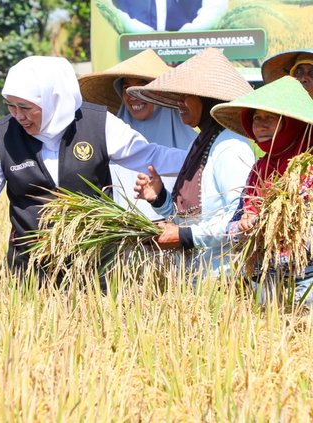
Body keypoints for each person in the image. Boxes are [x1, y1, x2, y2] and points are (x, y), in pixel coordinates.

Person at [0, 56, 188, 279]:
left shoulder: (97, 124)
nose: (18, 116)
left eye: (26, 107)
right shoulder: (0, 136)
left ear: (54, 100)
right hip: (30, 267)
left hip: (94, 265)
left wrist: (201, 157)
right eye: (11, 106)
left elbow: (150, 156)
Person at [130, 47, 255, 277]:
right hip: (196, 278)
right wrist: (158, 198)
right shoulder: (198, 144)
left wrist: (183, 236)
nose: (179, 103)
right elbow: (185, 217)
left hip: (226, 278)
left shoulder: (231, 147)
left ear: (207, 99)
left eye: (185, 96)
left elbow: (238, 221)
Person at [211, 76, 313, 304]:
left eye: (271, 118)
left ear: (292, 122)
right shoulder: (260, 168)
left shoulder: (309, 165)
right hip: (263, 282)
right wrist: (243, 225)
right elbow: (234, 224)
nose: (261, 125)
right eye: (257, 118)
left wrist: (270, 222)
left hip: (306, 285)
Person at [79, 49, 197, 220]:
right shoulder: (110, 140)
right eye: (126, 88)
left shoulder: (196, 147)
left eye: (141, 87)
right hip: (122, 239)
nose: (132, 96)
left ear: (161, 94)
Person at [99, 0, 228, 33]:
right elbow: (111, 12)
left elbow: (214, 9)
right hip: (136, 55)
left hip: (187, 57)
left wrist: (179, 42)